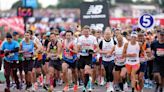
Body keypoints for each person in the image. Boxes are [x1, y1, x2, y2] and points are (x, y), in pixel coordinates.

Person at [77, 25, 99, 92]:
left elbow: (97, 47)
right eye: (85, 31)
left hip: (89, 57)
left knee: (87, 71)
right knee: (83, 73)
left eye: (87, 31)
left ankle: (89, 87)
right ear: (83, 32)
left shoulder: (93, 38)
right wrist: (85, 50)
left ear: (89, 31)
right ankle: (84, 86)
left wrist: (93, 51)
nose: (86, 33)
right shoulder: (80, 38)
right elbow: (78, 48)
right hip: (81, 56)